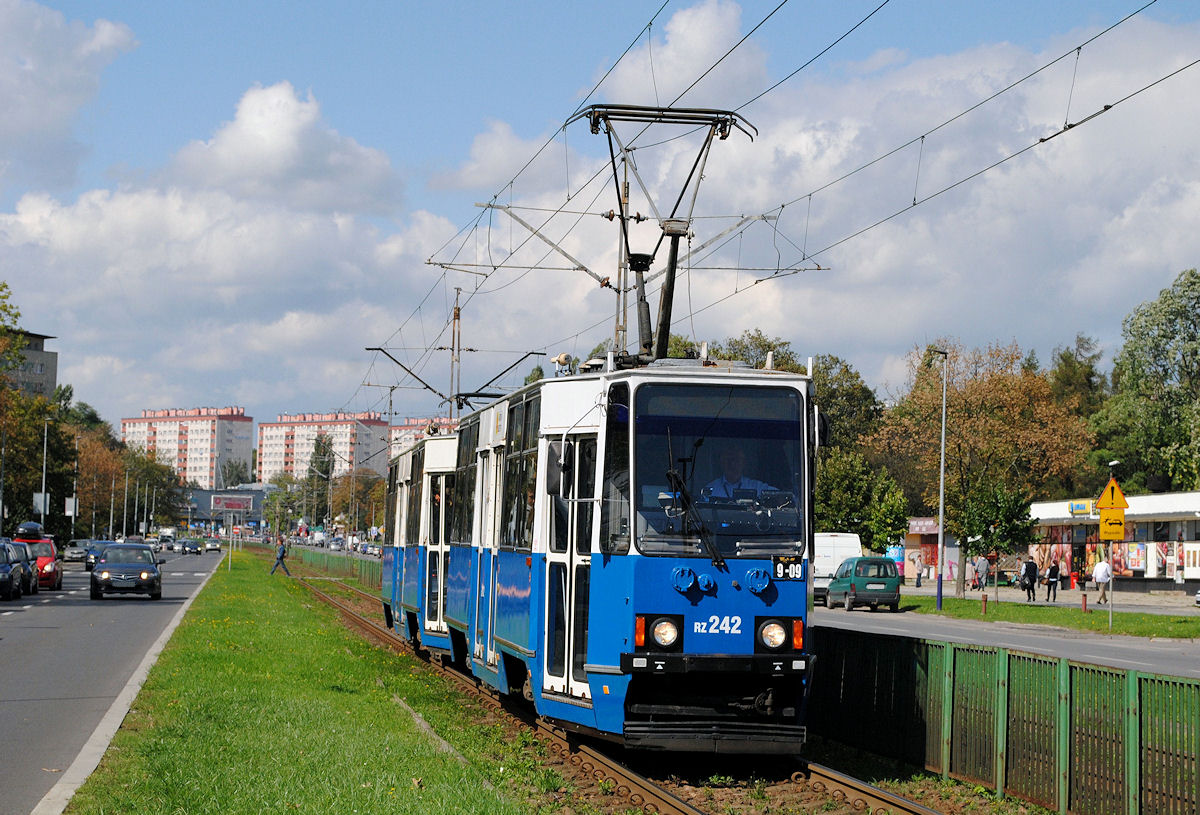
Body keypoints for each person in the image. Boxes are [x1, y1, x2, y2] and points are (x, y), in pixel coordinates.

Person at [704, 447, 775, 498]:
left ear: (744, 463)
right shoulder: (711, 488)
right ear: (721, 463)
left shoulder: (756, 487)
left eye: (737, 460)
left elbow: (780, 495)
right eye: (728, 460)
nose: (732, 464)